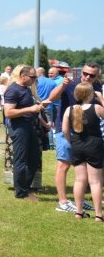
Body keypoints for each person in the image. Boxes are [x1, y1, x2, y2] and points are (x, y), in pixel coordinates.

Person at [45, 62, 102, 213]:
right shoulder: (70, 83)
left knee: (82, 169)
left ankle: (79, 202)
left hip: (86, 134)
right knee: (63, 165)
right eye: (85, 73)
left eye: (91, 75)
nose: (87, 77)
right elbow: (51, 98)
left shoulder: (96, 87)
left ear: (97, 76)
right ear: (80, 72)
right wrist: (63, 86)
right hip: (66, 130)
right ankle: (63, 202)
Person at [62, 82, 104, 221]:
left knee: (79, 180)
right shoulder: (97, 108)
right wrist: (102, 99)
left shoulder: (70, 109)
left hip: (77, 144)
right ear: (90, 94)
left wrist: (71, 141)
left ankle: (79, 212)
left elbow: (64, 130)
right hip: (94, 144)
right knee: (95, 182)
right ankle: (98, 214)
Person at [3, 65, 43, 201]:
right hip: (19, 127)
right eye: (33, 77)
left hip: (28, 126)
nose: (34, 79)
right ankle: (20, 192)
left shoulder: (25, 89)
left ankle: (25, 188)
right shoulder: (13, 90)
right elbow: (8, 112)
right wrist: (29, 109)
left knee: (34, 158)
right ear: (23, 76)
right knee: (21, 160)